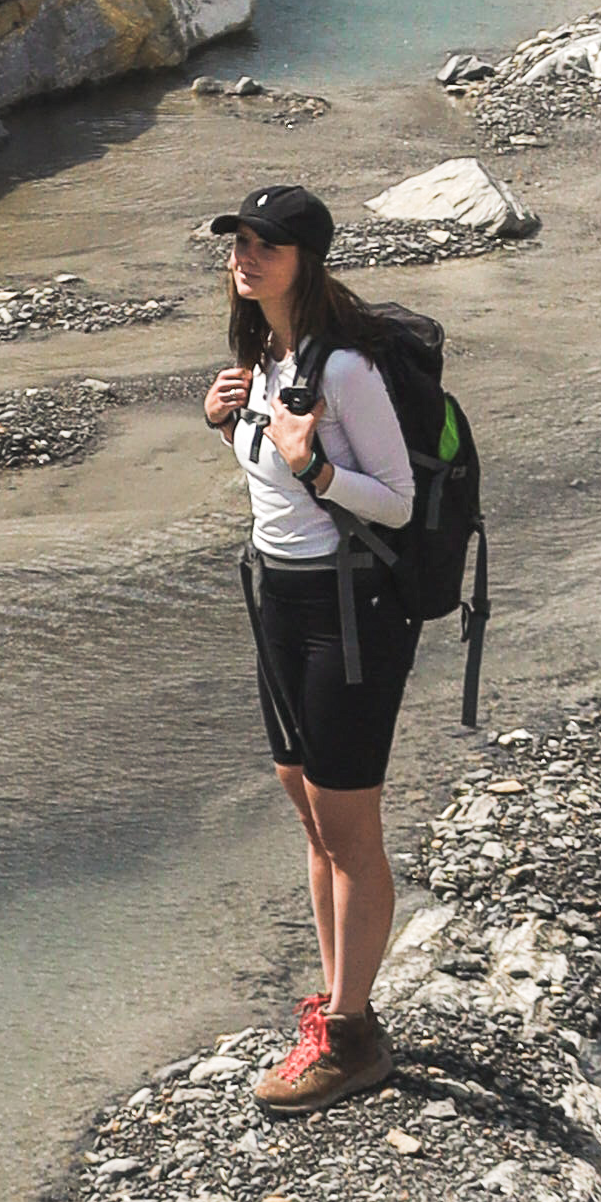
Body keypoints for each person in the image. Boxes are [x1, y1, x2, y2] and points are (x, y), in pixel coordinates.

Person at [201, 181, 423, 1108]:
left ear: (307, 259)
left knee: (349, 828)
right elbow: (275, 490)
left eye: (266, 246)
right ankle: (335, 1008)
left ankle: (353, 1037)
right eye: (239, 243)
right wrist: (232, 427)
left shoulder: (344, 373)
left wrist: (318, 464)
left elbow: (400, 501)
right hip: (279, 602)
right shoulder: (262, 354)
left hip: (351, 613)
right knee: (305, 810)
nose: (245, 258)